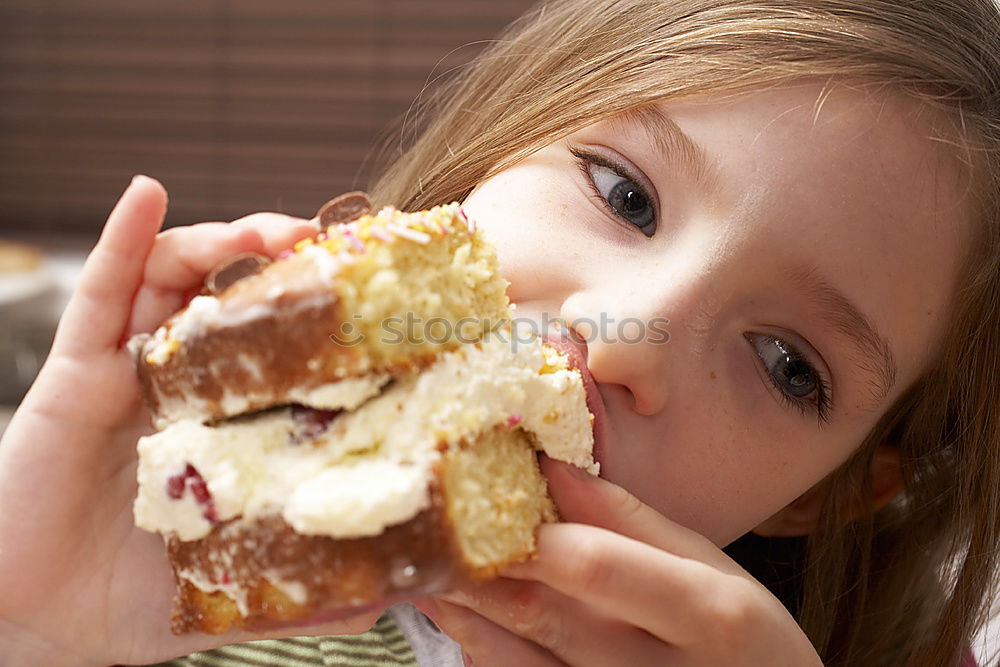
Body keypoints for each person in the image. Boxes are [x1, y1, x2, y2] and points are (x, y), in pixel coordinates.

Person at [1, 0, 998, 665]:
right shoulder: (174, 532)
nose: (625, 342)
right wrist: (38, 624)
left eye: (788, 365)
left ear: (820, 498)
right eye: (626, 194)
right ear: (485, 157)